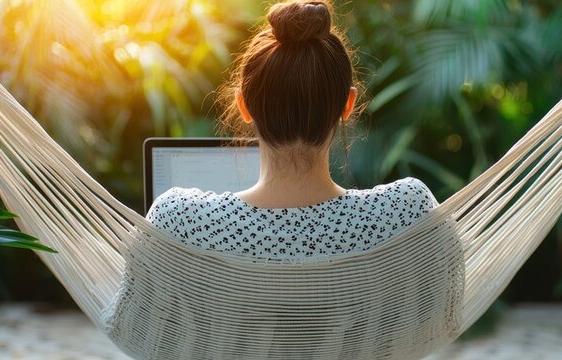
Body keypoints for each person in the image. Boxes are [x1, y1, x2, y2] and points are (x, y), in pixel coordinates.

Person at [146, 0, 438, 259]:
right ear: (347, 106)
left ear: (243, 105)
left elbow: (131, 320)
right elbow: (444, 312)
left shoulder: (179, 221)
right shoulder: (407, 213)